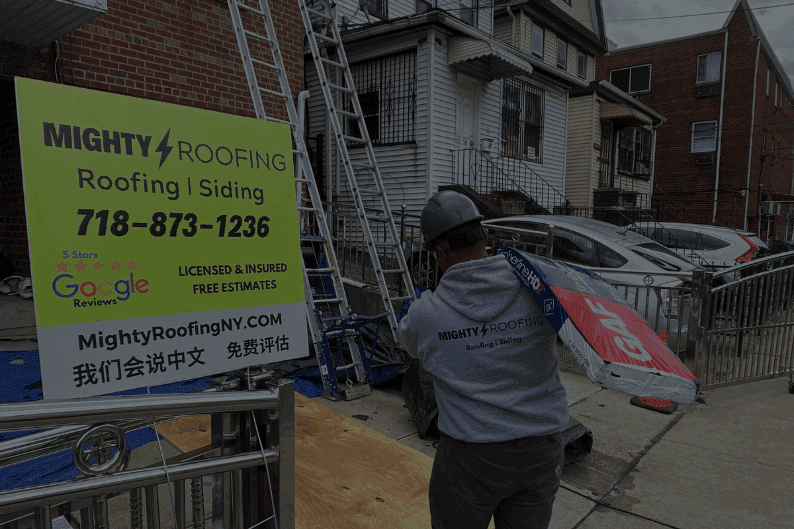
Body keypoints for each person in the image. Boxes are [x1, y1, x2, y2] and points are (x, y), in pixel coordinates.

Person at [397, 190, 569, 529]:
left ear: (438, 254)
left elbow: (409, 345)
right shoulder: (541, 289)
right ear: (486, 237)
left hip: (470, 455)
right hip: (541, 449)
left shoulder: (426, 314)